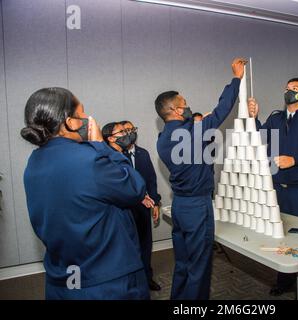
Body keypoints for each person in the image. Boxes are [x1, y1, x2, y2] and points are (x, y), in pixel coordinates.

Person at [21, 88, 149, 299]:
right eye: (83, 114)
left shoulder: (34, 162)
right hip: (107, 281)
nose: (88, 120)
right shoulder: (90, 159)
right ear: (70, 122)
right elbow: (135, 188)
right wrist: (102, 146)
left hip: (64, 279)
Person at [155, 57, 245, 300]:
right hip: (197, 206)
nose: (187, 106)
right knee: (200, 267)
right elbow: (222, 109)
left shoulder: (163, 139)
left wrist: (200, 128)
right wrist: (236, 78)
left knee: (183, 263)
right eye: (184, 103)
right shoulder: (192, 132)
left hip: (180, 206)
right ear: (174, 110)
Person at [248, 77, 298, 299]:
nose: (289, 92)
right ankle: (283, 280)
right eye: (286, 88)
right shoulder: (276, 119)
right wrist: (254, 119)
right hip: (278, 189)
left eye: (294, 89)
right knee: (281, 236)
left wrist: (295, 160)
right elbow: (260, 139)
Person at [120, 120, 162, 291]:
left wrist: (156, 203)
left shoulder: (143, 153)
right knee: (128, 246)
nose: (130, 133)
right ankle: (131, 283)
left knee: (145, 244)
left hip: (144, 209)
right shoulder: (115, 155)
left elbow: (151, 180)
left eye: (132, 129)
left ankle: (147, 278)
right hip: (125, 210)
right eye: (126, 130)